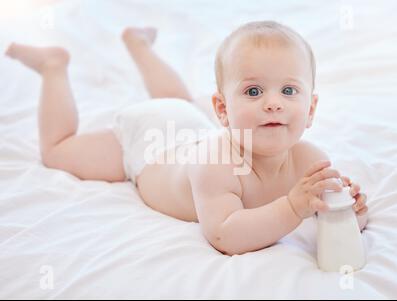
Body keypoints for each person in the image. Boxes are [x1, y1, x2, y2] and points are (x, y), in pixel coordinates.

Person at [5, 21, 368, 255]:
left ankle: (138, 45)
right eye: (254, 92)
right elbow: (226, 234)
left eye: (289, 90)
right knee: (58, 150)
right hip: (151, 143)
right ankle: (54, 67)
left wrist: (348, 213)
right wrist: (293, 207)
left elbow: (326, 214)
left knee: (178, 104)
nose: (273, 104)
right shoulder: (218, 164)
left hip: (190, 125)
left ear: (311, 108)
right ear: (223, 109)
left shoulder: (310, 158)